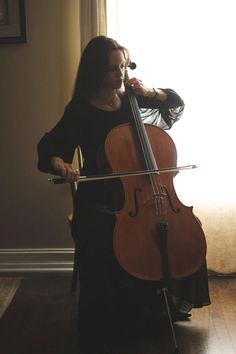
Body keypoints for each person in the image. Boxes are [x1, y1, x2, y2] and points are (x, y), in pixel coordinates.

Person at [37, 36, 210, 354]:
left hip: (145, 194)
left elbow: (174, 105)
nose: (121, 74)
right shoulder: (80, 110)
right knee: (103, 234)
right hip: (101, 197)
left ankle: (158, 309)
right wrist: (61, 164)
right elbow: (50, 146)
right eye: (112, 69)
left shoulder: (131, 98)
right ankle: (118, 319)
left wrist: (148, 93)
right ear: (94, 73)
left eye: (123, 66)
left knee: (184, 226)